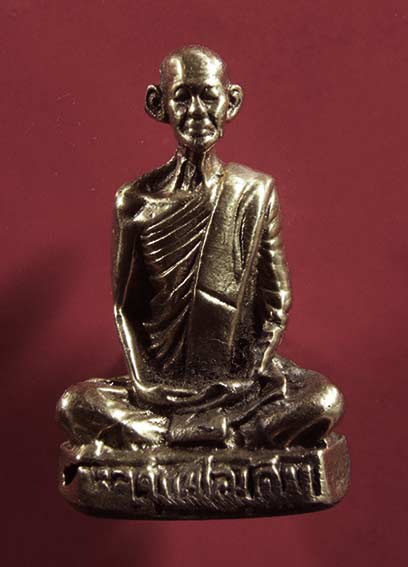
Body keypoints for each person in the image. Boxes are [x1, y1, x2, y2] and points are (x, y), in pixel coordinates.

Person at [58, 46, 343, 450]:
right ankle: (215, 436)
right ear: (158, 105)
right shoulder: (135, 201)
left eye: (209, 96)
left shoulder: (254, 191)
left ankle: (193, 436)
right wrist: (145, 384)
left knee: (323, 399)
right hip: (161, 389)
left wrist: (253, 368)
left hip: (238, 385)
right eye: (182, 97)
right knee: (76, 404)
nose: (196, 111)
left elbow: (275, 299)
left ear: (231, 102)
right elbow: (128, 308)